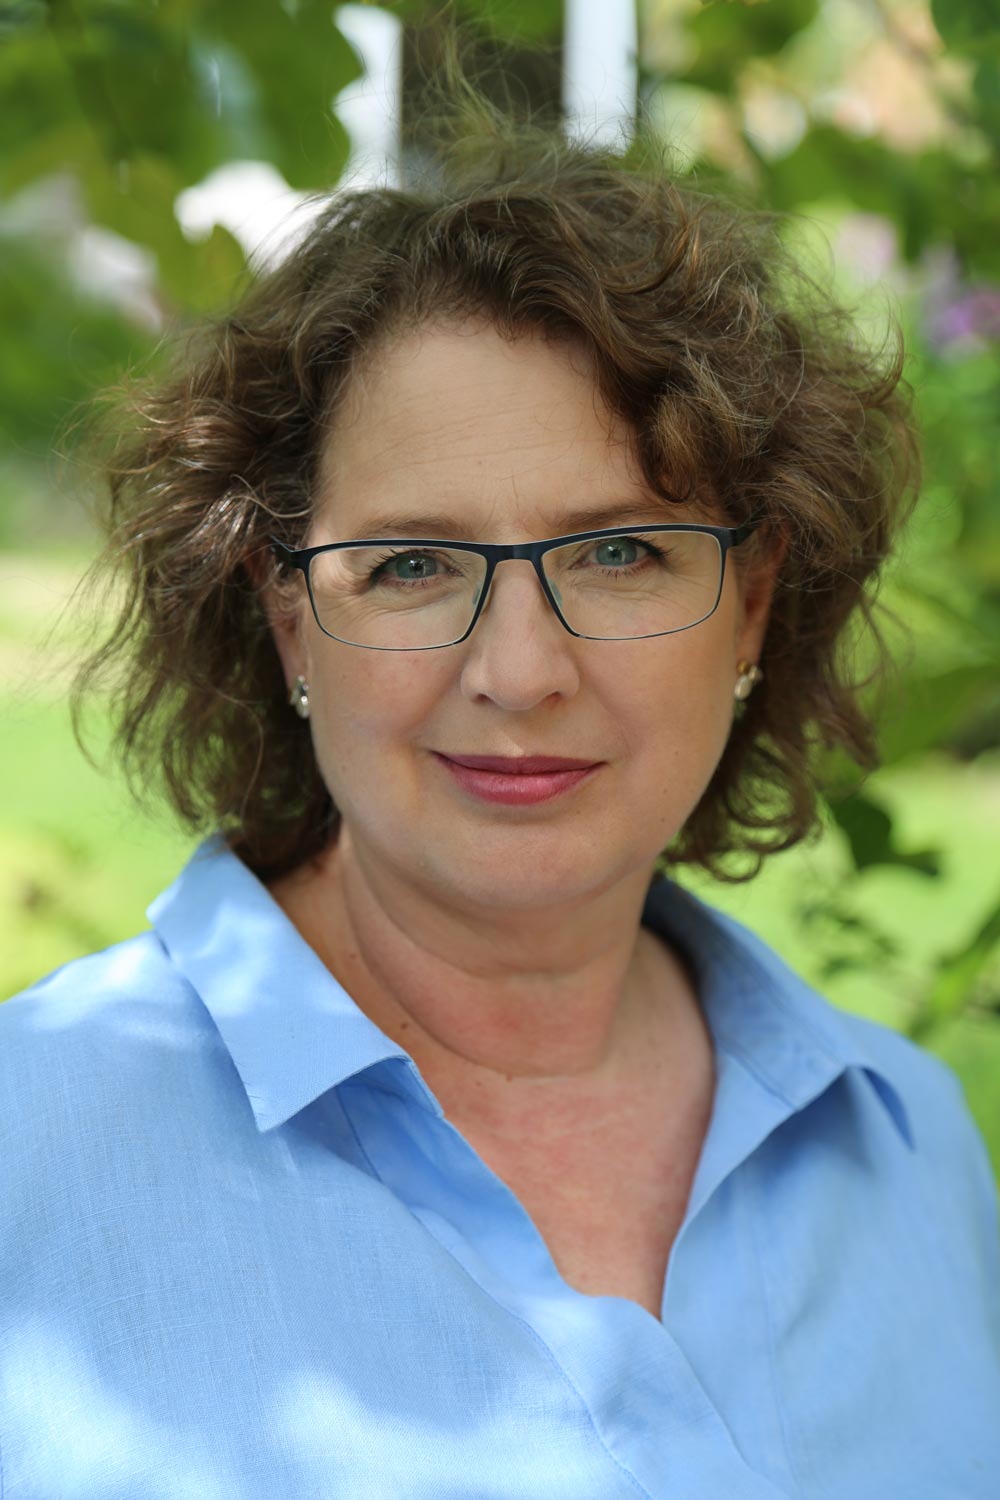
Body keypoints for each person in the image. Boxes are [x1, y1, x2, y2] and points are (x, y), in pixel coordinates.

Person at [2, 98, 998, 1499]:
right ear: (289, 621)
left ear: (753, 604)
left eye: (622, 555)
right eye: (409, 564)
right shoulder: (25, 1151)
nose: (519, 671)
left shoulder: (910, 1151)